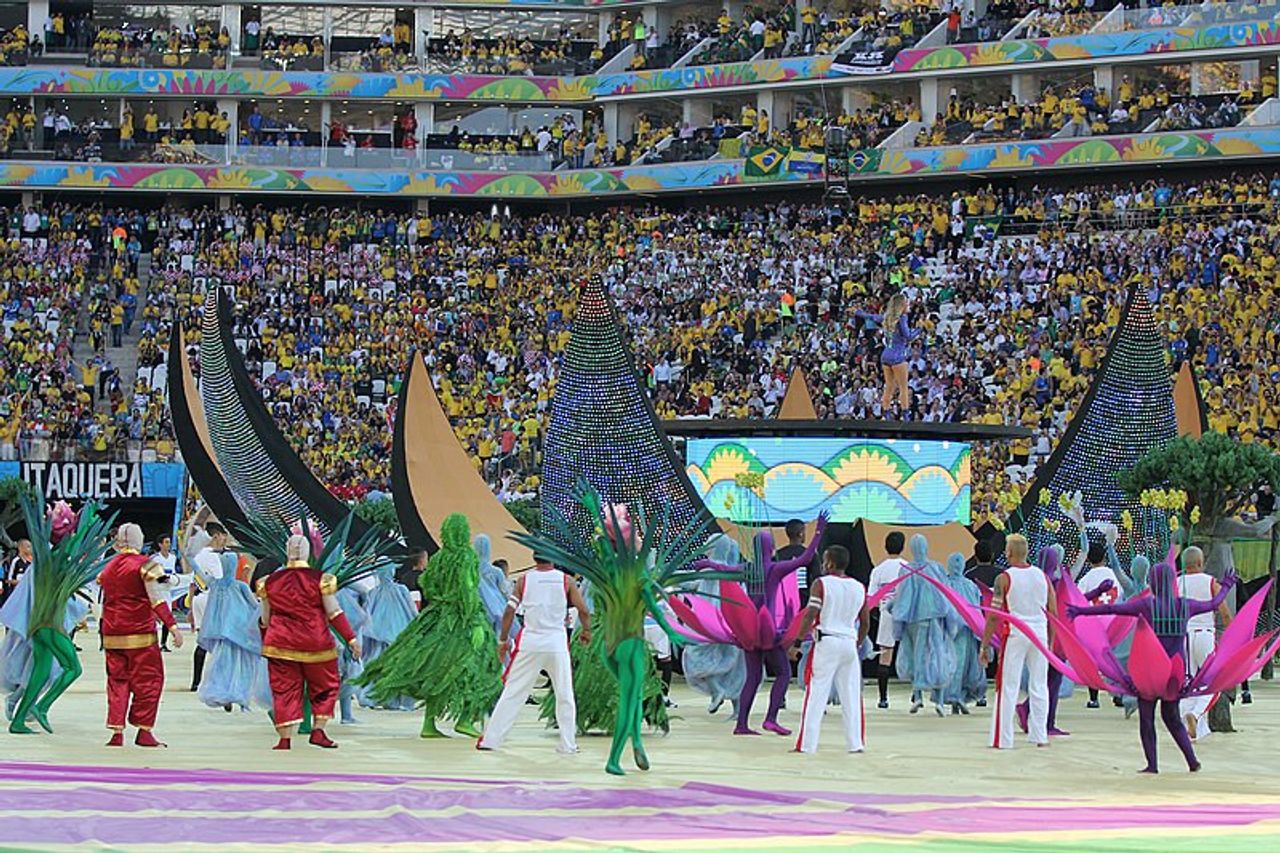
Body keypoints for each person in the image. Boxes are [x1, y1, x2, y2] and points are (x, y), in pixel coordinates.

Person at [1068, 561, 1236, 773]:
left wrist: (1081, 611)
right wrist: (1228, 586)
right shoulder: (1185, 605)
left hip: (1150, 671)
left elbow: (1112, 608)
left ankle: (1152, 765)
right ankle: (1192, 762)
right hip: (1174, 674)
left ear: (1154, 582)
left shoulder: (1147, 605)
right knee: (1172, 718)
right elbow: (1213, 604)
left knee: (1147, 720)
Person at [479, 552, 592, 753]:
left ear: (533, 558)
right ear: (554, 559)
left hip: (530, 643)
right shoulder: (566, 580)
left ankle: (491, 740)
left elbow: (509, 611)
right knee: (565, 694)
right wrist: (586, 631)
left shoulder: (523, 581)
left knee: (513, 691)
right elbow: (583, 610)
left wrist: (503, 640)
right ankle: (568, 744)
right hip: (556, 644)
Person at [257, 534, 360, 750]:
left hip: (280, 643)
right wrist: (350, 638)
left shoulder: (268, 582)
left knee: (283, 689)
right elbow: (334, 612)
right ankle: (318, 730)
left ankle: (285, 739)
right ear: (308, 553)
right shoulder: (322, 579)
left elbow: (265, 618)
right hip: (315, 641)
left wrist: (265, 639)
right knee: (325, 686)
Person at [99, 523, 183, 747]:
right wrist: (172, 626)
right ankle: (144, 730)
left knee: (117, 682)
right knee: (149, 681)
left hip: (112, 633)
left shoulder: (108, 568)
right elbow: (156, 598)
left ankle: (117, 732)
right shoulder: (144, 565)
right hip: (139, 633)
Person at [981, 534, 1055, 750]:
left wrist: (984, 644)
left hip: (1016, 634)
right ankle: (1040, 736)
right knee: (1039, 685)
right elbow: (1053, 612)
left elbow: (994, 615)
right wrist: (1050, 642)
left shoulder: (1003, 578)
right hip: (1039, 634)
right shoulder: (1043, 577)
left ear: (1009, 553)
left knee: (1008, 686)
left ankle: (1004, 739)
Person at [793, 545, 869, 754]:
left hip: (827, 642)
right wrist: (857, 643)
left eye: (825, 561)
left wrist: (798, 641)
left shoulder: (821, 584)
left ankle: (807, 745)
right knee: (851, 695)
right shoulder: (859, 587)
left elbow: (810, 615)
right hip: (849, 643)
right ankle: (855, 744)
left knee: (816, 693)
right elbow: (865, 622)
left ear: (830, 563)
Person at [891, 534, 957, 716]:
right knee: (938, 657)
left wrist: (896, 615)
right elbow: (946, 595)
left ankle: (918, 696)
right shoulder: (936, 568)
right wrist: (951, 621)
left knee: (915, 656)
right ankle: (940, 701)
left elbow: (902, 598)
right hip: (935, 619)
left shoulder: (906, 570)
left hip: (913, 620)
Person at [197, 551, 270, 712]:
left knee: (222, 665)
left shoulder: (216, 584)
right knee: (242, 666)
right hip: (239, 633)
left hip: (224, 633)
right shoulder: (239, 585)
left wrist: (187, 554)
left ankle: (228, 694)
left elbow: (197, 571)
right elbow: (254, 605)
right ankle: (240, 697)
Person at [1177, 545, 1231, 740]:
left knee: (1187, 682)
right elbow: (1224, 612)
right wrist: (1233, 635)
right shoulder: (1210, 582)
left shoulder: (1176, 583)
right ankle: (1197, 714)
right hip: (1205, 634)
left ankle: (1187, 724)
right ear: (1200, 563)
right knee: (1213, 683)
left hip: (1183, 637)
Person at [857, 293, 919, 414]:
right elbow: (908, 336)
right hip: (898, 357)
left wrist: (858, 312)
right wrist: (919, 330)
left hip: (885, 355)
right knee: (903, 387)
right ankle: (905, 413)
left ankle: (885, 411)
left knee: (889, 386)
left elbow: (871, 316)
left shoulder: (887, 317)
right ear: (901, 305)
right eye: (906, 302)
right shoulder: (902, 318)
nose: (908, 304)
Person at [1076, 541, 1120, 708]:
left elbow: (1079, 600)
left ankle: (1094, 698)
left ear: (1087, 559)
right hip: (1113, 620)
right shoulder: (1114, 574)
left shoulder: (1086, 579)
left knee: (1092, 660)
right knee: (1114, 659)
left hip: (1093, 622)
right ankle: (1118, 695)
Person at [943, 552, 985, 714]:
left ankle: (953, 698)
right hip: (967, 631)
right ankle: (959, 697)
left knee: (951, 664)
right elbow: (977, 608)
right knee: (964, 665)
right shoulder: (970, 586)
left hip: (949, 631)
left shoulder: (944, 584)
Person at [868, 531, 906, 709]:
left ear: (885, 546)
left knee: (885, 655)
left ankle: (883, 699)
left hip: (886, 615)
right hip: (907, 615)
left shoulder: (878, 570)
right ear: (903, 547)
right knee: (914, 653)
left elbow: (871, 599)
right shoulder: (908, 567)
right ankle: (917, 697)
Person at [190, 522, 228, 691]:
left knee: (202, 642)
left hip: (198, 599)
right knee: (218, 642)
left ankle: (196, 681)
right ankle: (217, 682)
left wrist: (190, 609)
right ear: (215, 536)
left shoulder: (198, 555)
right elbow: (220, 581)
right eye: (222, 535)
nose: (224, 539)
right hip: (211, 599)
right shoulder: (213, 556)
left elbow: (193, 583)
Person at [1, 539, 32, 609]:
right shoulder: (16, 561)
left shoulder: (31, 563)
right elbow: (9, 580)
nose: (30, 549)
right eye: (28, 547)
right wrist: (20, 583)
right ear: (20, 548)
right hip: (17, 594)